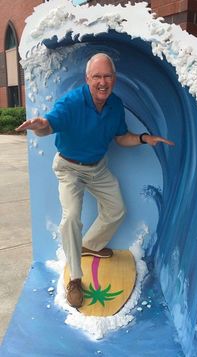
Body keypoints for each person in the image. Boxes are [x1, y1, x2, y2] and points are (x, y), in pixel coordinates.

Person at [16, 53, 174, 309]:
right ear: (87, 78)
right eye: (97, 76)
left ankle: (88, 245)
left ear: (114, 78)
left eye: (107, 76)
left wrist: (145, 138)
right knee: (71, 218)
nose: (103, 82)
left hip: (98, 168)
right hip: (69, 168)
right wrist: (40, 125)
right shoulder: (72, 103)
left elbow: (121, 138)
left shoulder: (115, 105)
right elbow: (49, 125)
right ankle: (75, 279)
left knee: (117, 211)